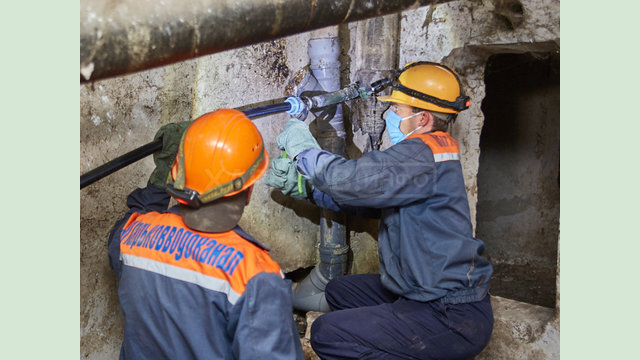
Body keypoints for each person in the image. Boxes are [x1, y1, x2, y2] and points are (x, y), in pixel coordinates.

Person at [267, 62, 494, 359]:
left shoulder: (421, 153)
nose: (390, 117)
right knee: (339, 291)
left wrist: (302, 148)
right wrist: (307, 189)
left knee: (328, 334)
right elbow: (368, 201)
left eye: (397, 111)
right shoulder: (432, 150)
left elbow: (348, 180)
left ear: (422, 117)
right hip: (423, 291)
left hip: (450, 314)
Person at [108, 109, 304, 360]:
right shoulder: (254, 273)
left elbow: (131, 221)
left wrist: (161, 179)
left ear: (177, 173)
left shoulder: (130, 235)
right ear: (249, 187)